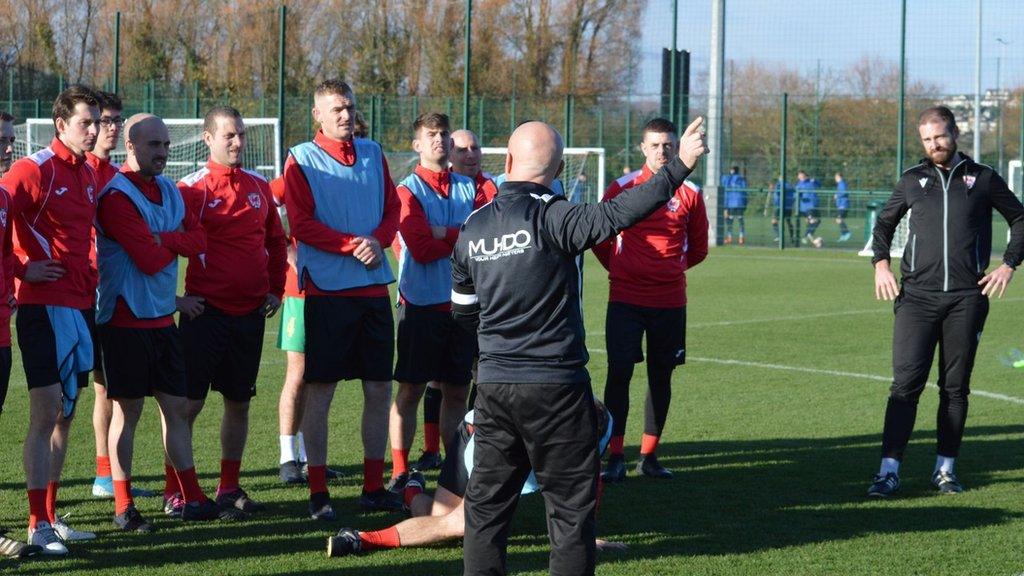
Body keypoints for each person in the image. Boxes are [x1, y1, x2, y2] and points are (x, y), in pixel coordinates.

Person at [451, 117, 707, 575]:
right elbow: (619, 214)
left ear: (506, 162)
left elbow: (464, 313)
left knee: (485, 514)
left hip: (494, 388)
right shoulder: (557, 216)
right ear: (559, 168)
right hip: (555, 388)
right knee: (569, 517)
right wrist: (680, 166)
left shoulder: (473, 229)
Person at [868, 105, 1024, 497]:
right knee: (905, 386)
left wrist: (1008, 265)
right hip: (916, 299)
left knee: (955, 389)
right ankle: (888, 471)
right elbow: (884, 224)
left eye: (939, 136)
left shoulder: (983, 179)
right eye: (926, 139)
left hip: (966, 300)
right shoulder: (911, 180)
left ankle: (945, 470)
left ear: (955, 133)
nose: (934, 145)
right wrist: (881, 265)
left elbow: (1020, 219)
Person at [96, 113, 241, 531]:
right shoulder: (116, 196)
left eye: (165, 145)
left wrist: (162, 240)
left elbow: (199, 240)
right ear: (130, 146)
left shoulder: (169, 190)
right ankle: (123, 506)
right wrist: (169, 243)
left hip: (162, 320)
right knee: (128, 413)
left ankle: (192, 497)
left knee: (177, 409)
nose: (161, 152)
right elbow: (147, 258)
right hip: (124, 319)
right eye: (152, 145)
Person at [283, 79, 402, 519]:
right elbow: (302, 223)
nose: (345, 115)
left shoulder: (373, 152)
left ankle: (373, 487)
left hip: (373, 291)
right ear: (317, 114)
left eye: (349, 107)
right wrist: (355, 244)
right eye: (335, 109)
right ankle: (318, 493)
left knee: (378, 389)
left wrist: (379, 239)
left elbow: (393, 210)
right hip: (328, 291)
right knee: (321, 391)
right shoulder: (301, 157)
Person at [2, 85, 104, 555]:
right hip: (43, 308)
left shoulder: (86, 174)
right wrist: (23, 268)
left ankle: (50, 515)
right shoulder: (33, 169)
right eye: (86, 122)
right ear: (60, 124)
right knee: (45, 414)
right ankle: (34, 524)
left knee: (66, 414)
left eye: (97, 122)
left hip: (80, 306)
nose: (94, 130)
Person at [326, 400, 623, 558]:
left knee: (447, 520)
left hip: (505, 435)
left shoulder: (597, 424)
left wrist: (583, 534)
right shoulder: (517, 438)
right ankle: (362, 537)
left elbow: (589, 477)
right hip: (478, 436)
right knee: (458, 523)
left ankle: (412, 491)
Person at [176, 106, 288, 514]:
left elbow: (277, 242)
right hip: (205, 314)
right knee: (187, 405)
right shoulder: (191, 189)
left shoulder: (259, 186)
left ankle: (228, 488)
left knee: (238, 402)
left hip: (250, 314)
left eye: (241, 134)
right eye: (229, 136)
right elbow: (165, 242)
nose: (238, 142)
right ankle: (179, 491)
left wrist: (276, 289)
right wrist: (173, 301)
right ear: (208, 139)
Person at [593, 118, 708, 482]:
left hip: (670, 302)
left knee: (661, 377)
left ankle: (649, 456)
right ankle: (615, 457)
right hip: (625, 298)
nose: (662, 151)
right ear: (643, 149)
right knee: (619, 375)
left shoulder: (691, 193)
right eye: (655, 145)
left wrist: (667, 270)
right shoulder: (622, 187)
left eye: (668, 145)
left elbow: (699, 248)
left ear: (676, 148)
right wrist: (624, 267)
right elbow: (599, 235)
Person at [387, 113, 482, 503]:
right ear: (417, 145)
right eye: (431, 135)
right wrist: (457, 235)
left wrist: (444, 233)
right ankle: (398, 470)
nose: (440, 141)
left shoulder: (467, 185)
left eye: (444, 134)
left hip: (462, 307)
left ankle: (452, 468)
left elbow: (481, 239)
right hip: (422, 304)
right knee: (409, 390)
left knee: (457, 391)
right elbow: (422, 249)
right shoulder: (406, 190)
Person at [86, 90, 157, 501]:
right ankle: (101, 476)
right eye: (104, 120)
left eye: (115, 120)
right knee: (79, 398)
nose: (109, 128)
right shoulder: (83, 170)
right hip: (86, 295)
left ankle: (106, 475)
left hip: (110, 295)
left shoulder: (114, 174)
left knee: (108, 389)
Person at [0, 111, 43, 561]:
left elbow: (7, 255)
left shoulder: (2, 196)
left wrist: (19, 278)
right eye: (2, 139)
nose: (9, 147)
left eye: (11, 139)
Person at [796, 170, 823, 248]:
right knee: (813, 221)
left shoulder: (811, 182)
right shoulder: (799, 185)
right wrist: (800, 197)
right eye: (800, 176)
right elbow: (796, 194)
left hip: (814, 205)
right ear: (798, 177)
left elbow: (819, 185)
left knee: (818, 221)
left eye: (803, 176)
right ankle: (806, 236)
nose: (802, 177)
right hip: (806, 207)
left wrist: (815, 180)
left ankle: (808, 234)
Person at [721, 165, 747, 245]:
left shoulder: (728, 179)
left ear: (732, 170)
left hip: (731, 204)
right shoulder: (742, 180)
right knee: (740, 221)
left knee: (730, 221)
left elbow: (726, 192)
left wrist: (725, 206)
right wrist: (745, 203)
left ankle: (729, 238)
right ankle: (741, 238)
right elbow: (745, 192)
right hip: (740, 203)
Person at [770, 176, 796, 244]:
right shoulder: (789, 185)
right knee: (788, 221)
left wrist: (773, 189)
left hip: (780, 206)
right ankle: (792, 237)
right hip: (788, 207)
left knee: (774, 221)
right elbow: (794, 195)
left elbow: (778, 193)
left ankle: (779, 236)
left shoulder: (779, 184)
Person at [834, 172, 852, 242]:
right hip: (841, 205)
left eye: (835, 177)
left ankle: (846, 233)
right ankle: (844, 234)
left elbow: (844, 192)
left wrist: (837, 195)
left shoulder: (842, 183)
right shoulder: (841, 184)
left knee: (839, 219)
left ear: (838, 176)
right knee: (839, 219)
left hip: (843, 205)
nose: (835, 179)